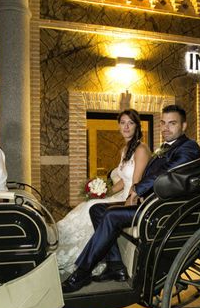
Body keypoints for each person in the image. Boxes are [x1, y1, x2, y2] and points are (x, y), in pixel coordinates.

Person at [61, 105, 200, 293]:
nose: (166, 128)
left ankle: (82, 272)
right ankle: (116, 266)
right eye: (163, 123)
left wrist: (136, 190)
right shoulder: (164, 148)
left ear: (184, 126)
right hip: (149, 202)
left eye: (172, 123)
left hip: (163, 208)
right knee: (97, 209)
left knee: (111, 215)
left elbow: (167, 172)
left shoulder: (188, 147)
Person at [55, 109, 150, 272]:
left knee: (93, 207)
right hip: (122, 193)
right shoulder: (124, 150)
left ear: (137, 127)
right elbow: (122, 180)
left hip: (132, 197)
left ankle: (87, 260)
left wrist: (124, 200)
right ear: (119, 126)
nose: (126, 127)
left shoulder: (141, 149)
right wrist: (104, 192)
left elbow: (135, 183)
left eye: (131, 123)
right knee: (91, 202)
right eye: (123, 123)